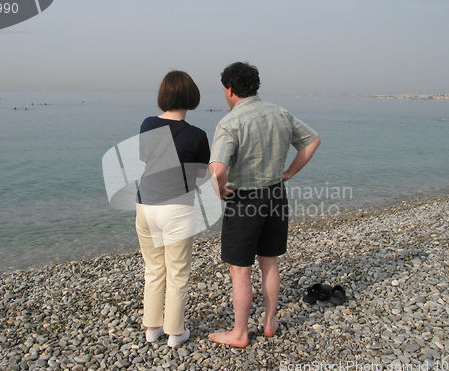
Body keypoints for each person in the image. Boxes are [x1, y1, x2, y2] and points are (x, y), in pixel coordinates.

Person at [208, 62, 321, 348]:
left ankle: (240, 333)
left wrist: (219, 190)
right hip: (275, 194)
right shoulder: (280, 113)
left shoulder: (230, 122)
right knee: (269, 262)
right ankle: (269, 323)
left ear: (230, 89)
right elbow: (312, 141)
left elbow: (218, 170)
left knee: (240, 269)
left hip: (244, 199)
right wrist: (289, 173)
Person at [135, 71, 210, 347]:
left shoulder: (147, 124)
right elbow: (201, 173)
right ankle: (176, 333)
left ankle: (152, 328)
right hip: (177, 208)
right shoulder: (197, 136)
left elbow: (144, 156)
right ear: (191, 98)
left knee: (153, 268)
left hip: (145, 204)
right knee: (177, 272)